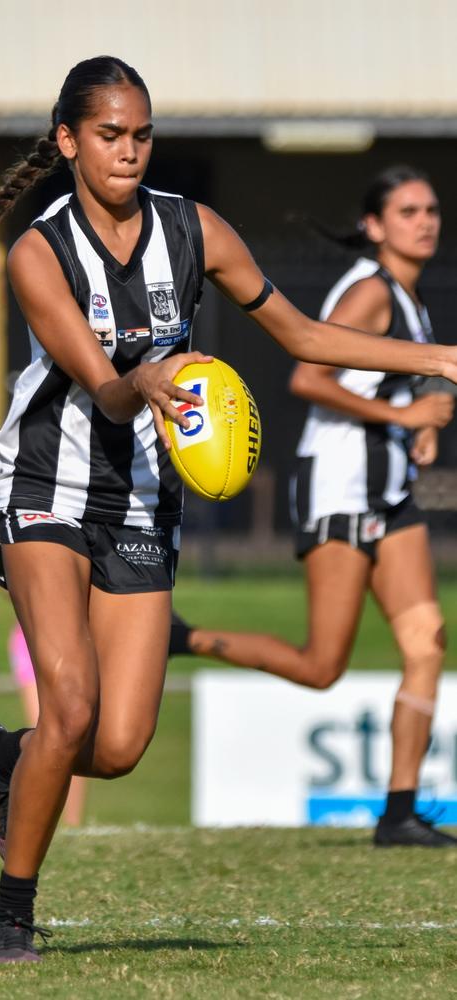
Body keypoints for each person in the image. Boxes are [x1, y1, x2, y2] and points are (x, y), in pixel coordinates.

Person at [0, 58, 457, 964]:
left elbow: (301, 336)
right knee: (69, 707)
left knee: (117, 744)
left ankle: (3, 759)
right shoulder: (40, 251)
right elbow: (106, 392)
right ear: (69, 141)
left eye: (142, 134)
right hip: (48, 489)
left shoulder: (194, 229)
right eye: (110, 135)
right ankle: (13, 917)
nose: (129, 151)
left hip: (145, 498)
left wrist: (439, 358)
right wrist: (144, 377)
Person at [170, 165, 457, 849]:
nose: (425, 221)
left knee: (427, 644)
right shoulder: (369, 293)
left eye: (432, 210)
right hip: (341, 491)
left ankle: (399, 812)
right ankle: (183, 639)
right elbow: (308, 375)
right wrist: (412, 407)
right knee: (323, 666)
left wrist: (413, 426)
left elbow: (384, 391)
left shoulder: (412, 303)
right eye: (408, 211)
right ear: (374, 227)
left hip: (389, 497)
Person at [8, 622, 87, 828]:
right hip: (30, 639)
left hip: (70, 639)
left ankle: (71, 823)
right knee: (46, 734)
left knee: (73, 733)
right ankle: (36, 824)